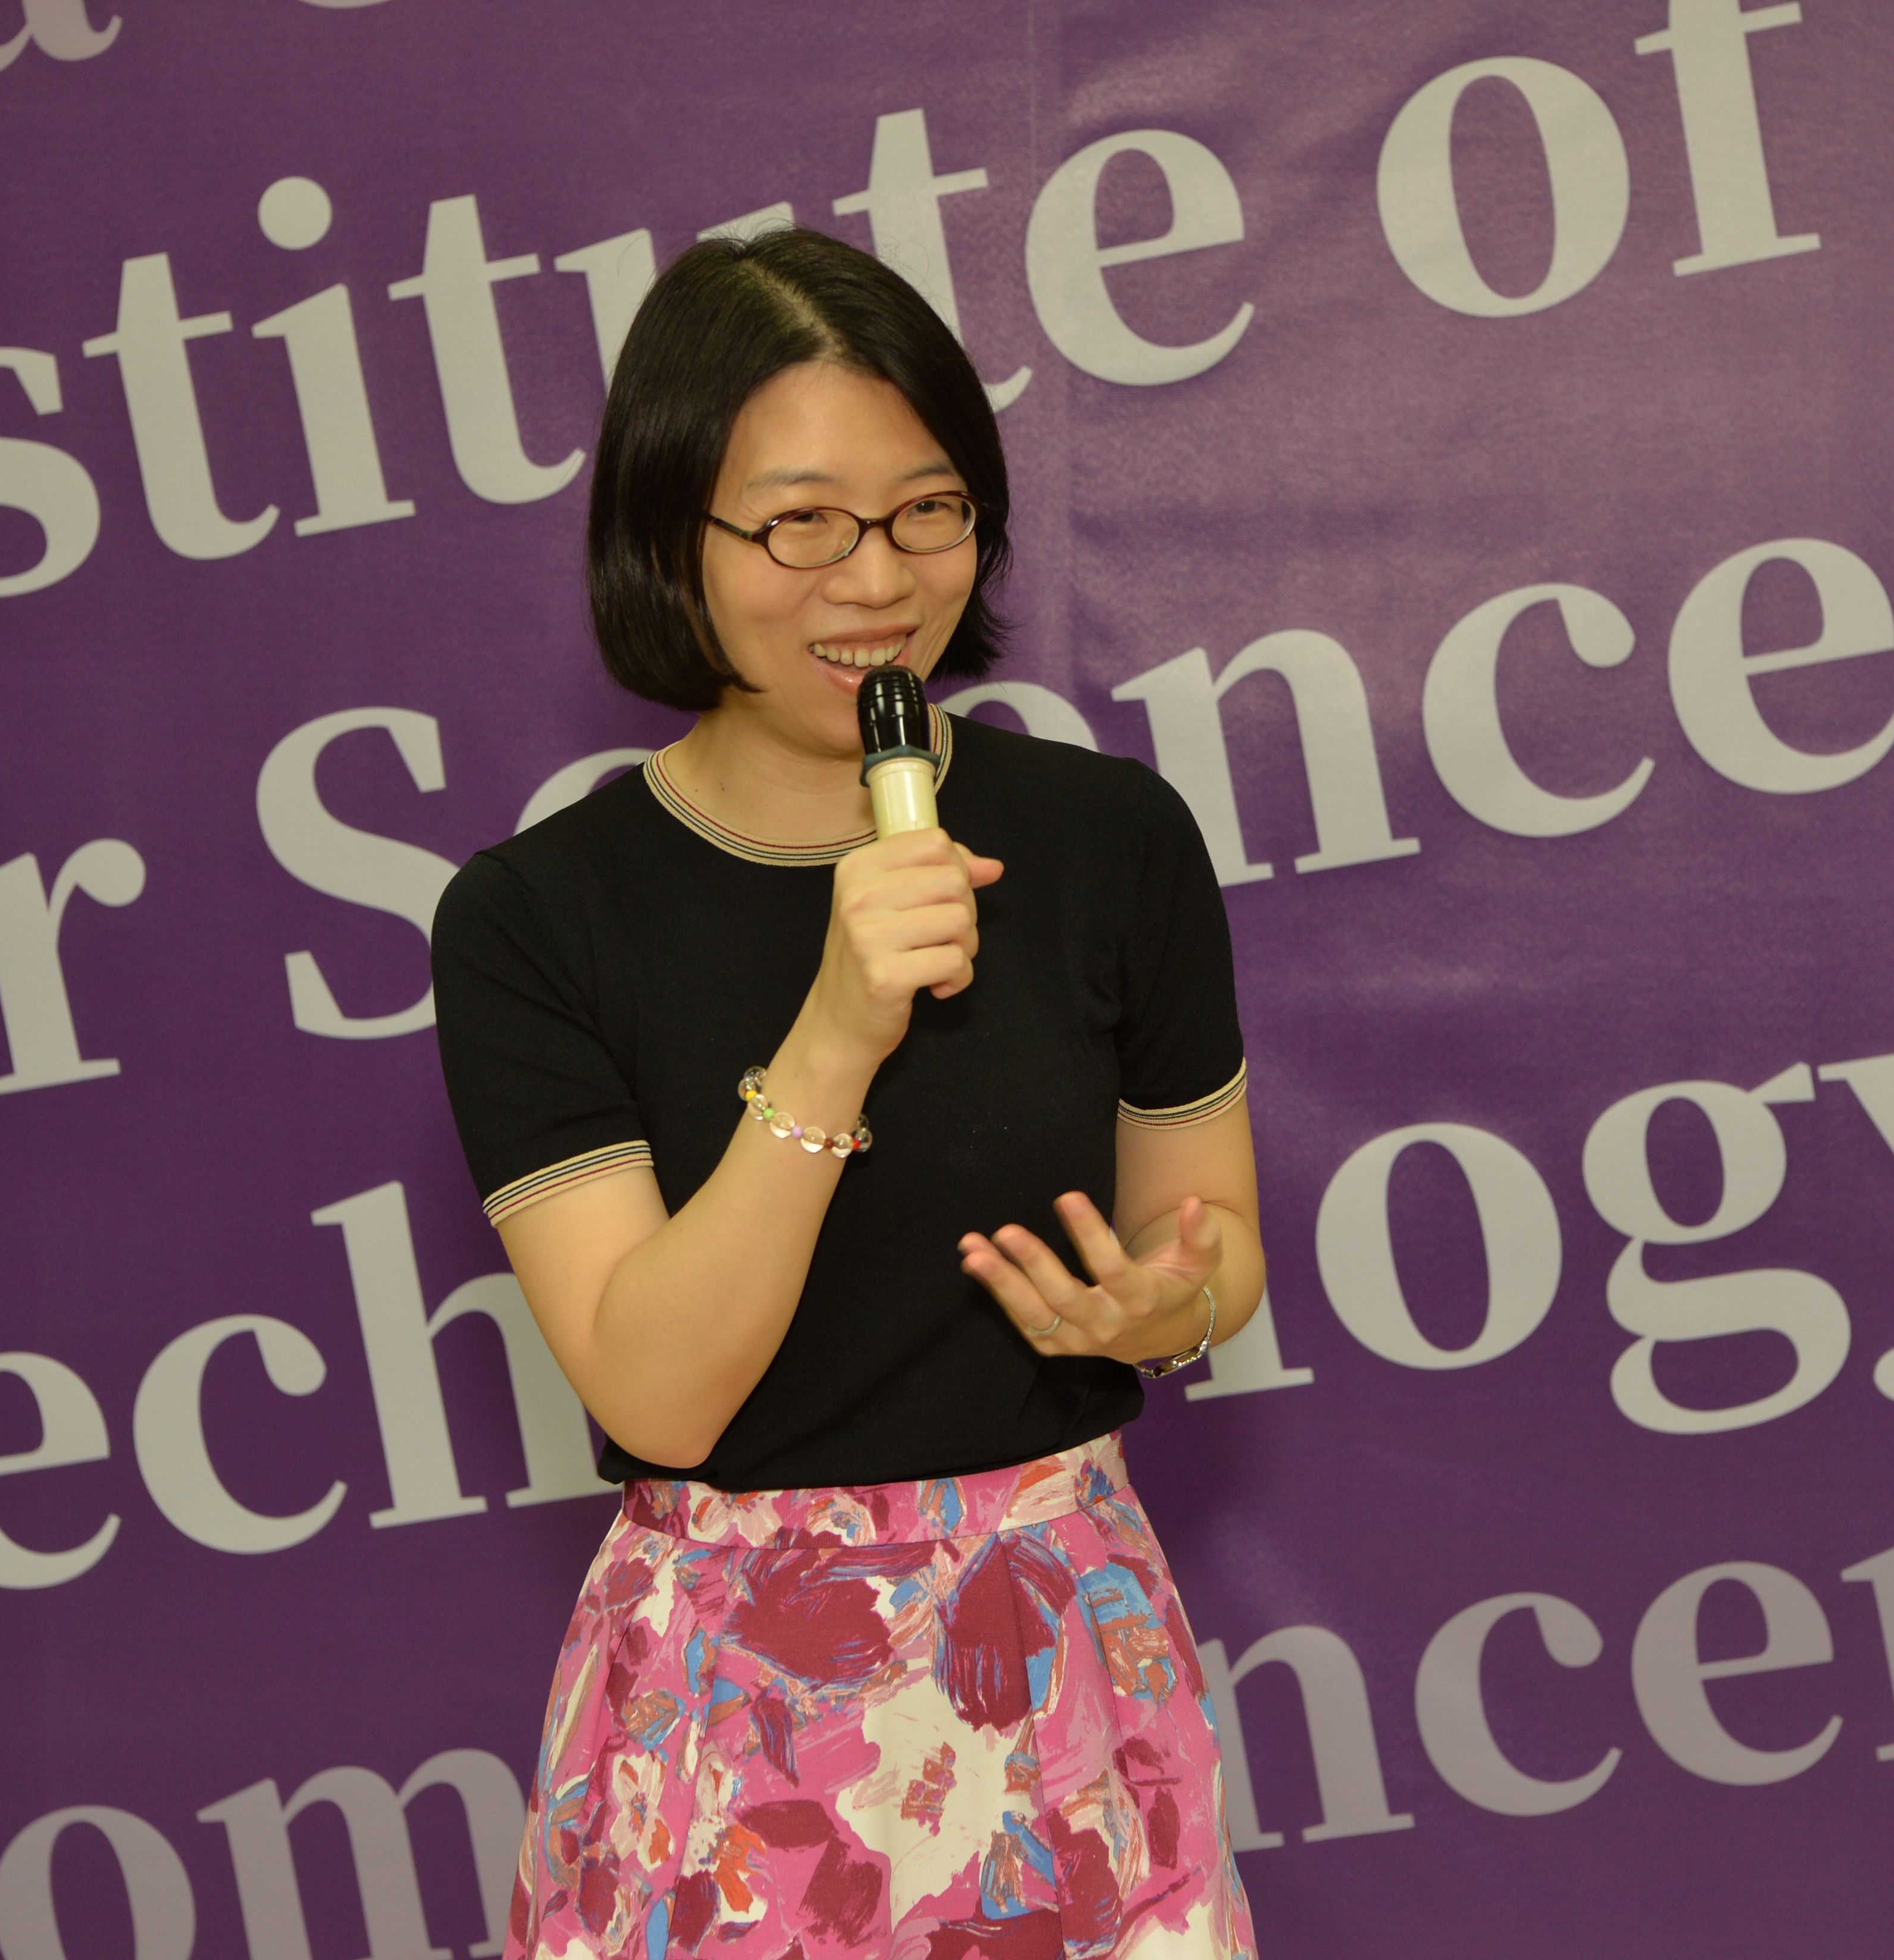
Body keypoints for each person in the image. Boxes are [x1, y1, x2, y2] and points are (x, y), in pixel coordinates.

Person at [432, 226, 1264, 1960]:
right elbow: (659, 1394)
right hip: (735, 1714)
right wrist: (832, 1031)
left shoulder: (1113, 839)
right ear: (670, 538)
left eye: (926, 511)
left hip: (1065, 1663)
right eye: (801, 524)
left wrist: (1170, 1305)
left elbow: (1215, 1244)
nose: (876, 580)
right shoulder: (536, 919)